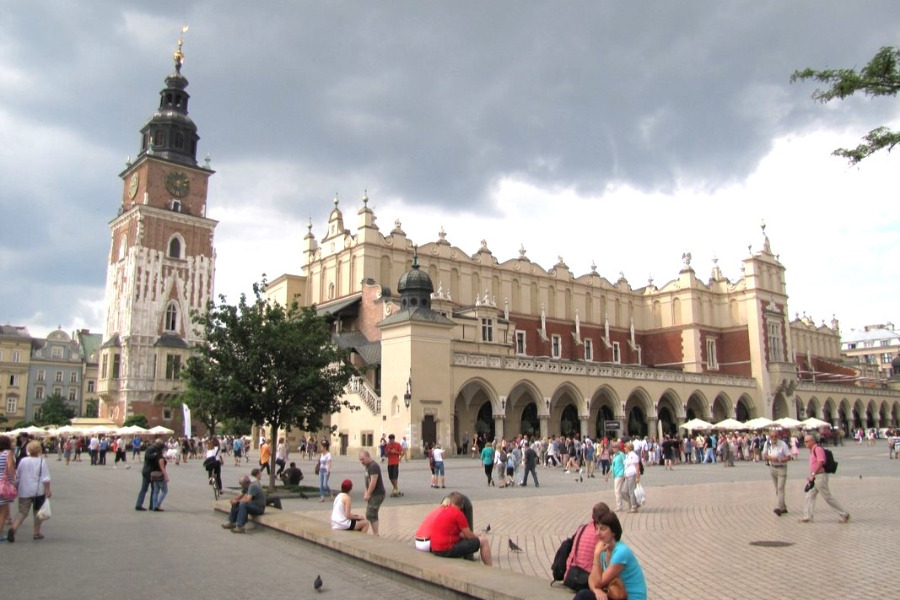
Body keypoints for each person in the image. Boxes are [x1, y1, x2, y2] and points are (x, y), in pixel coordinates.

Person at [574, 507, 647, 600]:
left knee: (584, 596)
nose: (598, 533)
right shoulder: (604, 549)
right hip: (615, 595)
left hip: (631, 597)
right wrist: (597, 591)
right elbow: (591, 579)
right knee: (584, 595)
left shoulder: (621, 552)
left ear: (614, 532)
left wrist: (596, 555)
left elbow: (598, 583)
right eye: (596, 529)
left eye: (603, 529)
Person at [429, 491, 493, 566]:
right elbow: (468, 535)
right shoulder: (458, 514)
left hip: (435, 548)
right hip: (446, 550)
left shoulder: (444, 510)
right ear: (462, 505)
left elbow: (457, 533)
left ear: (451, 502)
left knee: (467, 539)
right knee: (484, 541)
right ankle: (489, 567)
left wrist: (475, 535)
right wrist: (478, 537)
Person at [7, 440, 52, 542]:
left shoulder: (23, 461)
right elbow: (46, 478)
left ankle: (13, 528)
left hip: (24, 490)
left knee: (22, 512)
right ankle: (36, 532)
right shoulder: (41, 461)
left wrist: (16, 486)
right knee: (38, 512)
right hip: (38, 491)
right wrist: (48, 490)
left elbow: (18, 475)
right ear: (39, 450)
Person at [800, 434, 849, 524]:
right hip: (815, 478)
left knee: (827, 497)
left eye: (807, 441)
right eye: (804, 441)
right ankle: (807, 516)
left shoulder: (817, 449)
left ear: (812, 441)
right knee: (809, 496)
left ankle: (844, 513)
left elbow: (821, 461)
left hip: (819, 477)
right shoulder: (812, 450)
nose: (805, 443)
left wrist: (813, 474)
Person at [763, 430, 791, 516]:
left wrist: (779, 459)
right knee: (777, 488)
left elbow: (789, 457)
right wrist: (769, 457)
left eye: (775, 436)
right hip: (772, 467)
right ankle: (783, 507)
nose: (774, 438)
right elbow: (764, 454)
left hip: (781, 467)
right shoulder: (767, 444)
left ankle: (779, 507)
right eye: (772, 436)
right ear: (769, 437)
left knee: (780, 488)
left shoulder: (783, 444)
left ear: (778, 437)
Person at [359, 450, 385, 536]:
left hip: (377, 493)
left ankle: (376, 534)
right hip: (373, 493)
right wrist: (366, 491)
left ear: (368, 457)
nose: (362, 462)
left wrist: (368, 493)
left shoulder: (374, 466)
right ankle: (376, 533)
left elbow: (373, 481)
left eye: (363, 459)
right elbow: (368, 481)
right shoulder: (368, 466)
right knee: (371, 513)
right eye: (360, 460)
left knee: (371, 513)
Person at [136, 440, 163, 511]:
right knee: (154, 489)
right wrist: (156, 454)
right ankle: (152, 505)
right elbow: (148, 457)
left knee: (144, 489)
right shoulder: (153, 449)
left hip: (146, 471)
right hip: (150, 472)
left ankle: (139, 504)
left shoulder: (151, 448)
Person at [0, 436, 16, 540]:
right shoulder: (8, 453)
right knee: (3, 511)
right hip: (3, 484)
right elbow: (10, 466)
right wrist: (13, 480)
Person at [606, 442, 626, 511]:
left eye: (615, 447)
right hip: (615, 474)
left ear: (618, 448)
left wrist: (624, 474)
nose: (613, 449)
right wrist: (607, 475)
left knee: (617, 491)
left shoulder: (621, 454)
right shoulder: (614, 456)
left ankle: (619, 506)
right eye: (613, 447)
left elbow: (625, 464)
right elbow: (612, 466)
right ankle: (630, 500)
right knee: (619, 491)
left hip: (620, 474)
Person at [150, 443, 170, 511]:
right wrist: (166, 476)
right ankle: (157, 505)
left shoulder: (155, 456)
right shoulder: (160, 458)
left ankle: (154, 505)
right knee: (165, 491)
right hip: (160, 474)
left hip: (154, 474)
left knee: (156, 491)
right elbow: (162, 468)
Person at [623, 442, 641, 513]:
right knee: (624, 492)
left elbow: (637, 466)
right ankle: (635, 503)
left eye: (625, 447)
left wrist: (637, 477)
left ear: (629, 448)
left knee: (631, 491)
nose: (624, 449)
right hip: (627, 475)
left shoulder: (633, 455)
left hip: (632, 475)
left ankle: (633, 506)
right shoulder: (627, 455)